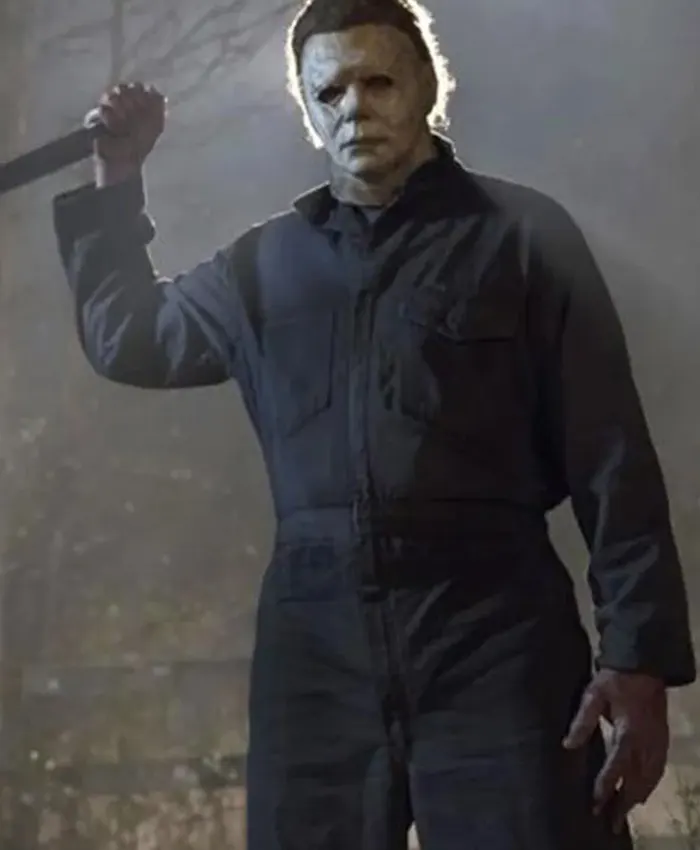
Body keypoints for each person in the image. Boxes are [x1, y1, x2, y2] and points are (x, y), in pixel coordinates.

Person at [52, 0, 696, 847]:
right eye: (329, 93)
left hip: (494, 634)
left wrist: (637, 659)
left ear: (428, 86)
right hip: (315, 652)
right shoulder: (263, 267)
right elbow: (127, 337)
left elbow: (610, 454)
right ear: (306, 111)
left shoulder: (521, 238)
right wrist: (118, 176)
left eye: (377, 82)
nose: (353, 107)